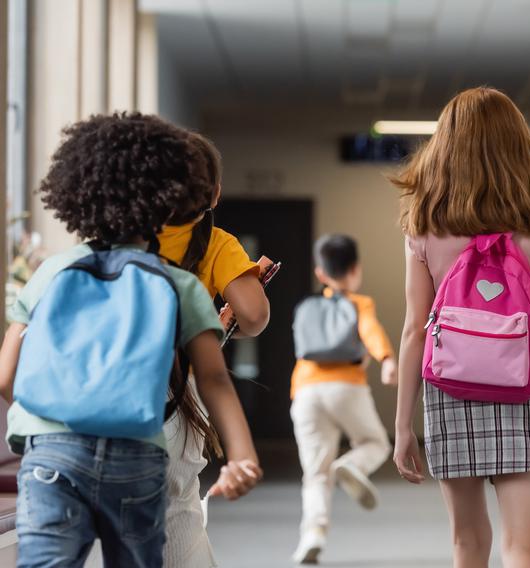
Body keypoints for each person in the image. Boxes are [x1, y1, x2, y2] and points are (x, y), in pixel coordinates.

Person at [0, 112, 261, 568]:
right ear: (174, 197)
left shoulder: (51, 272)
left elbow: (8, 377)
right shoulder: (176, 284)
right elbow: (215, 379)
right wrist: (241, 455)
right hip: (136, 455)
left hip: (53, 456)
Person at [391, 87, 530, 567]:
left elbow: (415, 330)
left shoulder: (423, 225)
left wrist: (402, 427)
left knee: (467, 542)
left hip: (449, 391)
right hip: (521, 388)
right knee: (523, 548)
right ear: (518, 144)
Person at [156, 131, 270, 567]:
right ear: (216, 193)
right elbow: (254, 315)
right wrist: (225, 321)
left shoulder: (123, 241)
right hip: (177, 394)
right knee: (178, 509)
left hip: (107, 407)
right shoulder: (216, 243)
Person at [290, 234, 397, 564]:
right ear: (356, 270)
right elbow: (369, 330)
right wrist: (387, 358)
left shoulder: (307, 307)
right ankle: (351, 464)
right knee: (375, 443)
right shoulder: (358, 303)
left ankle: (313, 534)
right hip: (346, 388)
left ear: (319, 273)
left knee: (315, 472)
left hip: (305, 392)